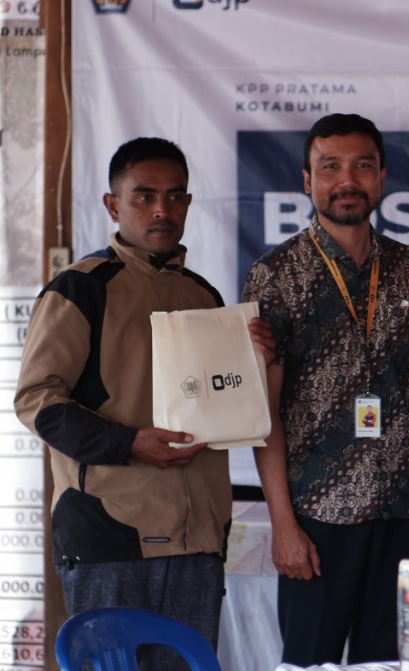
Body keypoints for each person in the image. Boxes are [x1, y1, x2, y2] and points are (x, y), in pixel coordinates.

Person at [14, 137, 272, 660]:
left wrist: (255, 358)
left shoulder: (204, 296)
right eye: (144, 196)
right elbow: (36, 400)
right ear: (113, 205)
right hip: (111, 536)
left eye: (175, 196)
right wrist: (129, 442)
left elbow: (219, 402)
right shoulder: (79, 288)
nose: (162, 209)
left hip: (197, 541)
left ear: (189, 203)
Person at [242, 113, 409, 665]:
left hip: (397, 509)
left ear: (382, 177)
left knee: (389, 662)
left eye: (362, 166)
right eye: (330, 167)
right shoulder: (276, 274)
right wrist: (283, 524)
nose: (347, 180)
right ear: (307, 181)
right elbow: (263, 413)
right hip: (317, 515)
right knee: (310, 662)